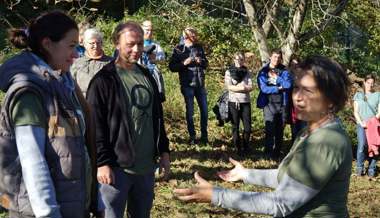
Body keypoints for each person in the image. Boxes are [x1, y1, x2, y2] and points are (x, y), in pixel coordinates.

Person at [174, 56, 353, 217]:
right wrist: (246, 174)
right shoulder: (310, 131)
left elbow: (280, 203)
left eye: (307, 90)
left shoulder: (327, 141)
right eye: (296, 88)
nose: (297, 97)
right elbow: (288, 178)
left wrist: (216, 195)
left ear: (331, 99)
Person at [0, 11, 101, 218]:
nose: (77, 54)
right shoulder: (28, 93)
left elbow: (79, 147)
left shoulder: (63, 84)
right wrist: (49, 214)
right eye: (72, 46)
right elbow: (32, 161)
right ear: (47, 44)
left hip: (70, 205)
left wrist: (94, 199)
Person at [86, 21, 170, 218]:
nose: (136, 49)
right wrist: (102, 163)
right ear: (116, 43)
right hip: (116, 169)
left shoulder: (147, 75)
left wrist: (164, 151)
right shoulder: (103, 80)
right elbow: (94, 126)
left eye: (140, 44)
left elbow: (157, 117)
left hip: (146, 167)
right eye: (130, 44)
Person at [169, 27, 209, 145]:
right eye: (193, 34)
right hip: (187, 85)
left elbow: (206, 63)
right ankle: (192, 137)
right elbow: (172, 67)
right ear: (186, 35)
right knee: (190, 112)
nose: (195, 36)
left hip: (200, 84)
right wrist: (184, 63)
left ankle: (204, 137)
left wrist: (200, 61)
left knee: (205, 111)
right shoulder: (178, 49)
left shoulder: (199, 47)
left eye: (195, 34)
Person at [256, 49, 292, 159]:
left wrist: (277, 78)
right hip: (268, 104)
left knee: (279, 130)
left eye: (278, 57)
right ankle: (268, 153)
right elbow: (264, 89)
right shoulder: (263, 71)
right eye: (274, 57)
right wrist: (277, 88)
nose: (276, 59)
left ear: (281, 58)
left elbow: (288, 85)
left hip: (282, 104)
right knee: (269, 129)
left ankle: (277, 153)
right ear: (270, 57)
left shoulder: (284, 71)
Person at [224, 52, 253, 155]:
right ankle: (237, 147)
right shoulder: (229, 72)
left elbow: (250, 87)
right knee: (235, 126)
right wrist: (242, 87)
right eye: (237, 59)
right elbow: (229, 87)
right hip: (233, 102)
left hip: (245, 102)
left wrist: (240, 88)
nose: (239, 61)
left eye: (241, 59)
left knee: (247, 128)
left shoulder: (247, 71)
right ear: (234, 59)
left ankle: (246, 146)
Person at [71, 28, 113, 97]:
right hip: (82, 105)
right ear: (85, 44)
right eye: (92, 43)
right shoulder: (77, 64)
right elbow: (71, 88)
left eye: (98, 43)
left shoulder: (111, 63)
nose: (95, 46)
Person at [353, 74, 380, 177]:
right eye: (368, 83)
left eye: (372, 83)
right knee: (362, 146)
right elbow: (356, 112)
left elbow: (379, 112)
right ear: (364, 82)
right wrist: (361, 122)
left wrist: (373, 121)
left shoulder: (378, 95)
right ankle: (360, 167)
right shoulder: (358, 95)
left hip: (374, 124)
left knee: (374, 146)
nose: (370, 85)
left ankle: (372, 168)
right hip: (361, 124)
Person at [139, 20, 166, 102]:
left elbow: (163, 60)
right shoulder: (136, 43)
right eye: (147, 30)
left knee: (155, 99)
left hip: (152, 75)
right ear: (142, 29)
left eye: (151, 30)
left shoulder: (156, 45)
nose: (149, 32)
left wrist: (154, 59)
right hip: (139, 75)